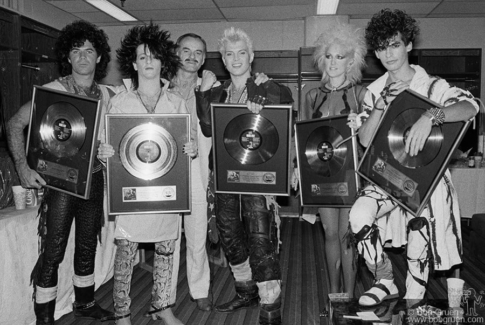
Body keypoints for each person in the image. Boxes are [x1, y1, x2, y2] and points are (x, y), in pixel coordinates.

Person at [349, 9, 478, 307]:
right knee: (358, 216)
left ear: (408, 45)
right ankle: (384, 280)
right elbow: (365, 139)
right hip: (387, 175)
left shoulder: (432, 85)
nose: (388, 53)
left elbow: (471, 107)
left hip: (426, 181)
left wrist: (431, 115)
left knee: (419, 231)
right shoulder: (374, 90)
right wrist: (382, 103)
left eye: (394, 44)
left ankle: (414, 297)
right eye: (381, 47)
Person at [6, 20, 121, 325]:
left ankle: (84, 302)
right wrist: (22, 166)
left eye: (89, 50)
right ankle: (44, 315)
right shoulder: (52, 91)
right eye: (76, 50)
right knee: (54, 248)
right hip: (59, 183)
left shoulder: (108, 96)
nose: (83, 56)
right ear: (68, 57)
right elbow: (14, 124)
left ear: (99, 58)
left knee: (86, 245)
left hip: (94, 178)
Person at [97, 23, 196, 325]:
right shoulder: (118, 101)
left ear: (163, 60)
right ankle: (122, 313)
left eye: (153, 56)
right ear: (134, 62)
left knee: (167, 250)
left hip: (165, 189)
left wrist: (189, 149)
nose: (148, 62)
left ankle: (162, 307)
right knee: (125, 253)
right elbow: (107, 144)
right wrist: (104, 154)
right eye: (142, 57)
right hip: (131, 190)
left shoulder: (177, 102)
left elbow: (183, 149)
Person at [195, 27, 293, 325]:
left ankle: (270, 302)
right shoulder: (217, 91)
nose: (235, 58)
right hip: (224, 173)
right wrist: (202, 92)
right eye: (228, 54)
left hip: (258, 174)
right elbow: (208, 127)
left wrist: (262, 96)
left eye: (241, 53)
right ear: (223, 60)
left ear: (251, 56)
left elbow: (285, 112)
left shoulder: (269, 86)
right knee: (229, 233)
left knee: (260, 235)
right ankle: (245, 288)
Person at [295, 22, 368, 298]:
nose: (334, 62)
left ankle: (349, 293)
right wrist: (296, 168)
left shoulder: (361, 95)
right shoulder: (311, 96)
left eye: (340, 56)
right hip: (321, 175)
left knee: (347, 234)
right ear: (322, 59)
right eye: (329, 56)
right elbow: (301, 137)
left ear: (352, 61)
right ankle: (334, 291)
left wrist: (361, 124)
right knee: (329, 233)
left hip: (352, 174)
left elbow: (371, 138)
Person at [169, 33, 218, 312]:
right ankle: (165, 293)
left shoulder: (212, 86)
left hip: (198, 173)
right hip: (166, 172)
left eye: (198, 52)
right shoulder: (161, 88)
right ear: (176, 53)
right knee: (168, 236)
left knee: (197, 234)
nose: (191, 56)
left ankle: (200, 289)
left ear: (204, 59)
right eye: (186, 50)